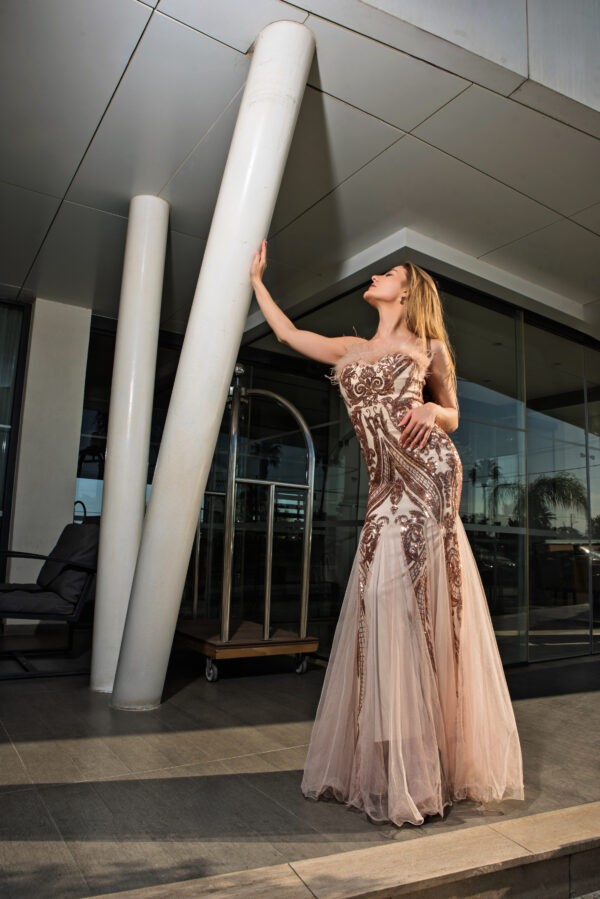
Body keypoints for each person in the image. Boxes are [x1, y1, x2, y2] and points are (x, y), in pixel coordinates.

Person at [250, 240, 524, 827]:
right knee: (380, 601)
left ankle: (415, 771)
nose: (376, 276)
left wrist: (430, 411)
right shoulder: (351, 349)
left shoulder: (429, 348)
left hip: (429, 474)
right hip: (383, 487)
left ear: (407, 291)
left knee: (405, 602)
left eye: (389, 272)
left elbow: (452, 414)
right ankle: (405, 760)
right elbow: (290, 335)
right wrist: (256, 283)